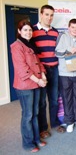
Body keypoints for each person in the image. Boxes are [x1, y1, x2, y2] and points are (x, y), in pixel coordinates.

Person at [11, 19, 47, 153]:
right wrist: (38, 81)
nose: (28, 32)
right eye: (25, 30)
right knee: (28, 115)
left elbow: (38, 63)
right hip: (25, 85)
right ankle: (28, 143)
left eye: (30, 30)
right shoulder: (16, 46)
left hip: (36, 84)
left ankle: (36, 139)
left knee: (35, 113)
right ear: (19, 31)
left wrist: (43, 75)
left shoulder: (30, 45)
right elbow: (23, 69)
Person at [32, 4, 64, 139]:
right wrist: (40, 71)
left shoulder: (55, 32)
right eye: (47, 14)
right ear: (41, 14)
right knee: (42, 102)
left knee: (54, 100)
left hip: (54, 69)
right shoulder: (32, 31)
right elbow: (32, 54)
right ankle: (43, 128)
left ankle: (55, 124)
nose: (49, 18)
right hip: (41, 71)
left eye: (51, 15)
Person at [55, 19, 76, 132]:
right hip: (64, 74)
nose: (75, 29)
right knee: (67, 98)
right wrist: (69, 50)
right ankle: (69, 122)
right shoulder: (62, 37)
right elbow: (57, 53)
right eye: (73, 27)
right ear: (68, 28)